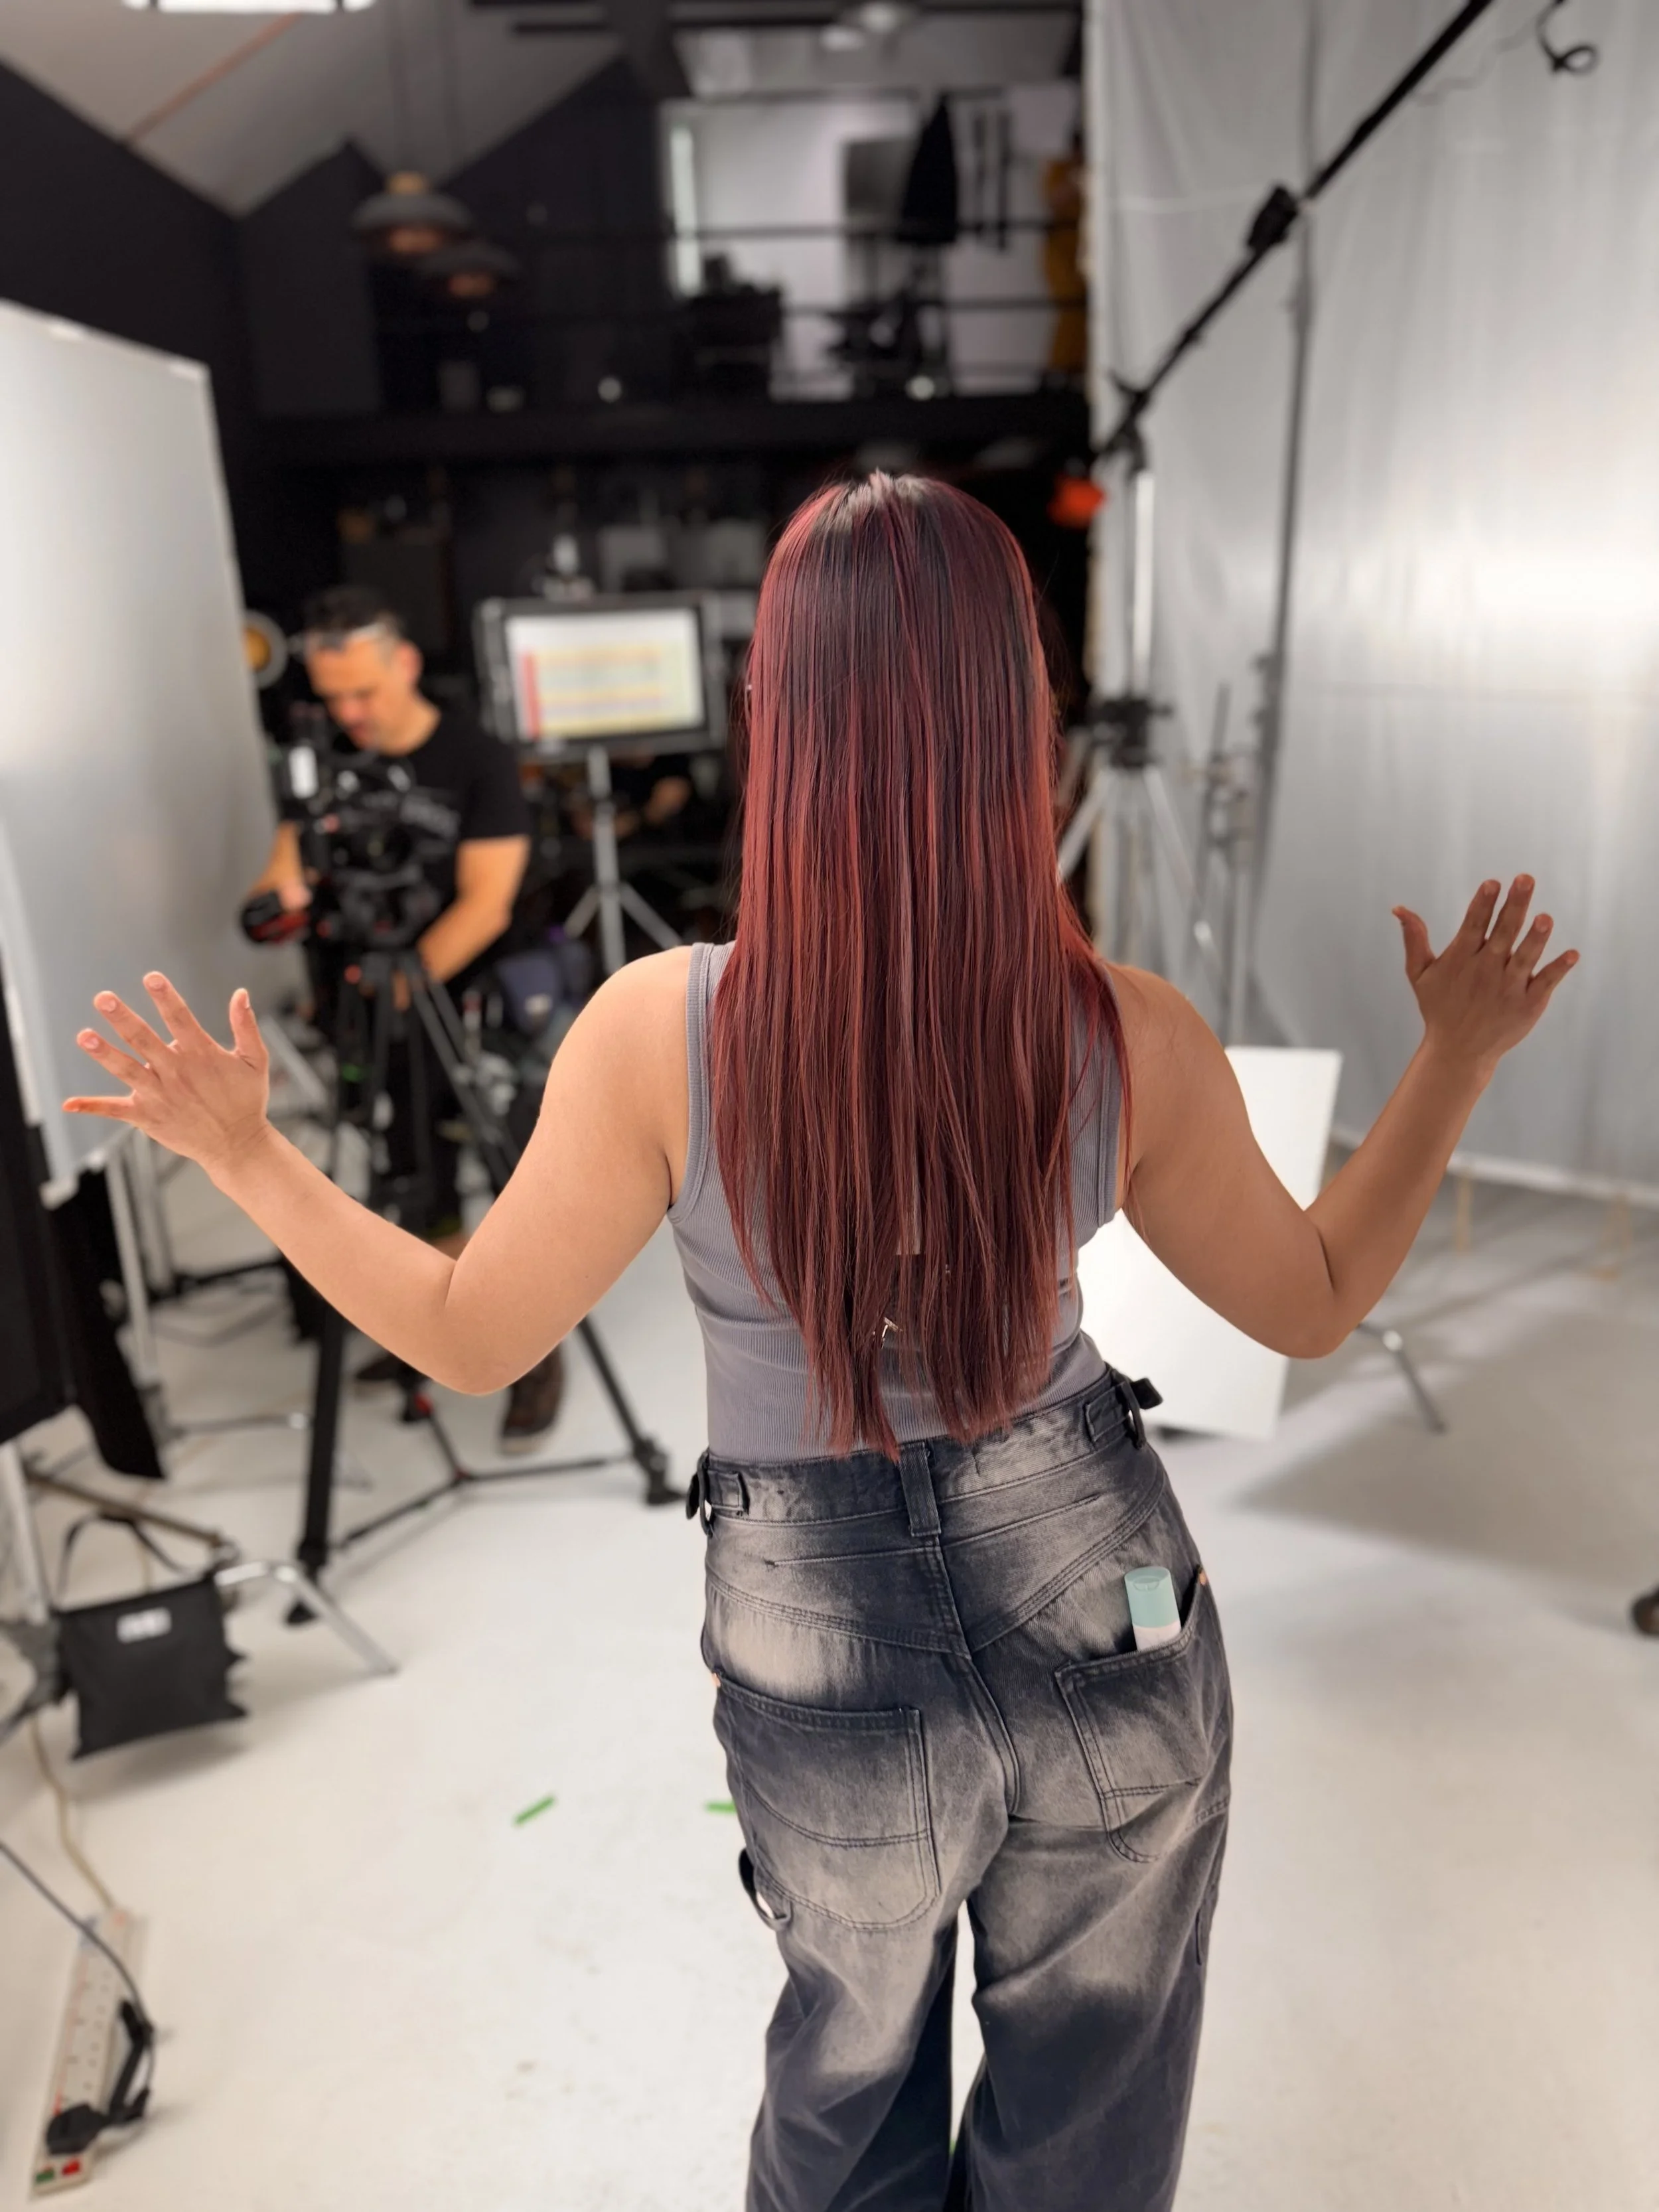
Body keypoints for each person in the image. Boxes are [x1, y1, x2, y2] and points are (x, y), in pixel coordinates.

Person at [68, 476, 1577, 2212]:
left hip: (811, 1629)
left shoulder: (659, 1030)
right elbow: (1309, 1301)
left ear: (772, 713)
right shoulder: (1124, 1031)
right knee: (1092, 2092)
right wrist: (1452, 1056)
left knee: (843, 2085)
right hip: (1111, 1598)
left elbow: (470, 1338)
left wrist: (249, 1152)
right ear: (1015, 716)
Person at [246, 584, 565, 1453]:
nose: (350, 713)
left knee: (516, 1187)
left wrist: (403, 985)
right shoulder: (321, 768)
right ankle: (436, 1326)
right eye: (333, 695)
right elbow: (291, 868)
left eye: (365, 693)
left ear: (406, 664)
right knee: (410, 1165)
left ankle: (531, 1354)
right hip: (375, 1006)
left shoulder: (476, 758)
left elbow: (487, 904)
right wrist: (278, 900)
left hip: (468, 998)